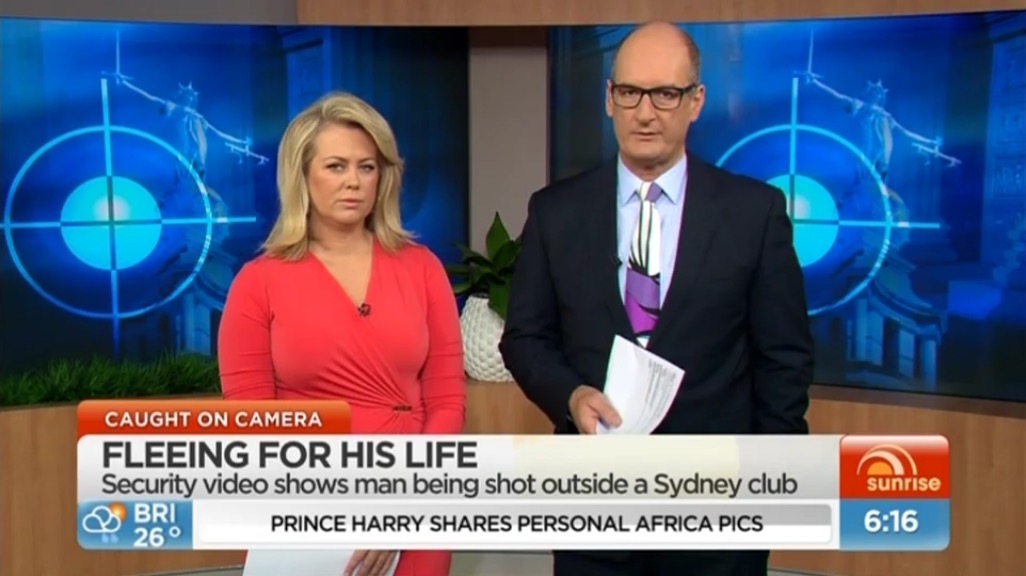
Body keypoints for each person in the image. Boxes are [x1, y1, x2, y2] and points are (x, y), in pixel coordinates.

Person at [499, 22, 814, 576]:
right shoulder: (555, 213)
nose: (645, 113)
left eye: (666, 94)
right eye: (630, 92)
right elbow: (525, 339)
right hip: (594, 512)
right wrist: (571, 395)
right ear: (609, 99)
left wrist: (768, 488)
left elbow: (783, 359)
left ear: (696, 101)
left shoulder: (754, 213)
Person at [217, 92, 465, 576]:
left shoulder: (422, 269)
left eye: (366, 167)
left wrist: (402, 506)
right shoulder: (258, 282)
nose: (353, 181)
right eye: (335, 166)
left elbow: (447, 400)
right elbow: (252, 424)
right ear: (302, 175)